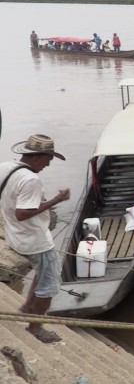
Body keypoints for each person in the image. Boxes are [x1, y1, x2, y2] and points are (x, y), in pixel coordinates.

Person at [0, 135, 70, 343]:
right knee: (49, 284)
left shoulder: (5, 167)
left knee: (41, 273)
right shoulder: (31, 179)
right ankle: (35, 328)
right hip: (35, 240)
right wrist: (56, 200)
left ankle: (28, 306)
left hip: (15, 236)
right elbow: (23, 213)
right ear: (39, 157)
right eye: (48, 159)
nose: (48, 164)